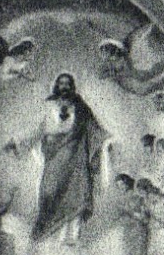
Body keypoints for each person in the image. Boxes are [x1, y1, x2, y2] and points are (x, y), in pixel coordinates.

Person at [31, 74, 109, 244]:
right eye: (61, 83)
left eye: (67, 84)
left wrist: (105, 142)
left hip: (76, 157)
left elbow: (95, 128)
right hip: (54, 155)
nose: (64, 86)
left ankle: (71, 238)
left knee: (76, 193)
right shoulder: (49, 104)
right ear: (57, 85)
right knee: (50, 192)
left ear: (72, 86)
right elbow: (39, 128)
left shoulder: (80, 105)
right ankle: (50, 237)